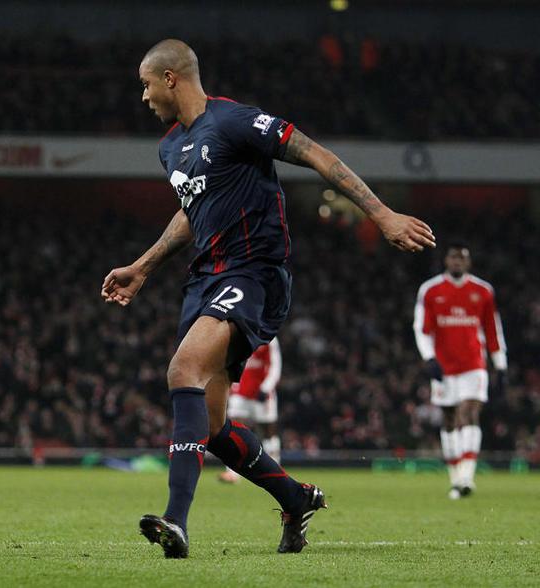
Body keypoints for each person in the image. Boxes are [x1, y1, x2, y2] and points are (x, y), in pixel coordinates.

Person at [101, 39, 435, 558]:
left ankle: (176, 521)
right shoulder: (170, 148)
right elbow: (193, 209)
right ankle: (295, 498)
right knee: (213, 427)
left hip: (254, 272)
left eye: (146, 85)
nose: (143, 97)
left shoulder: (234, 121)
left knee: (182, 370)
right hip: (204, 279)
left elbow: (316, 153)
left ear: (170, 78)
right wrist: (143, 266)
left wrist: (381, 215)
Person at [413, 244, 506, 499]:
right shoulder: (431, 290)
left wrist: (500, 364)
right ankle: (455, 479)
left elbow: (493, 329)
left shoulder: (482, 291)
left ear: (468, 262)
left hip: (473, 364)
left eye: (462, 258)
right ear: (446, 261)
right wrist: (429, 358)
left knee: (469, 412)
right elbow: (421, 328)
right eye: (453, 257)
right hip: (444, 367)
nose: (457, 262)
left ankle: (467, 476)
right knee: (449, 419)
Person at [218, 338, 282, 484]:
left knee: (268, 431)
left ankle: (275, 470)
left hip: (262, 393)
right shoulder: (240, 336)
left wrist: (267, 387)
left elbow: (275, 365)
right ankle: (232, 472)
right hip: (240, 392)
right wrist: (231, 386)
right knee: (232, 429)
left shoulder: (269, 338)